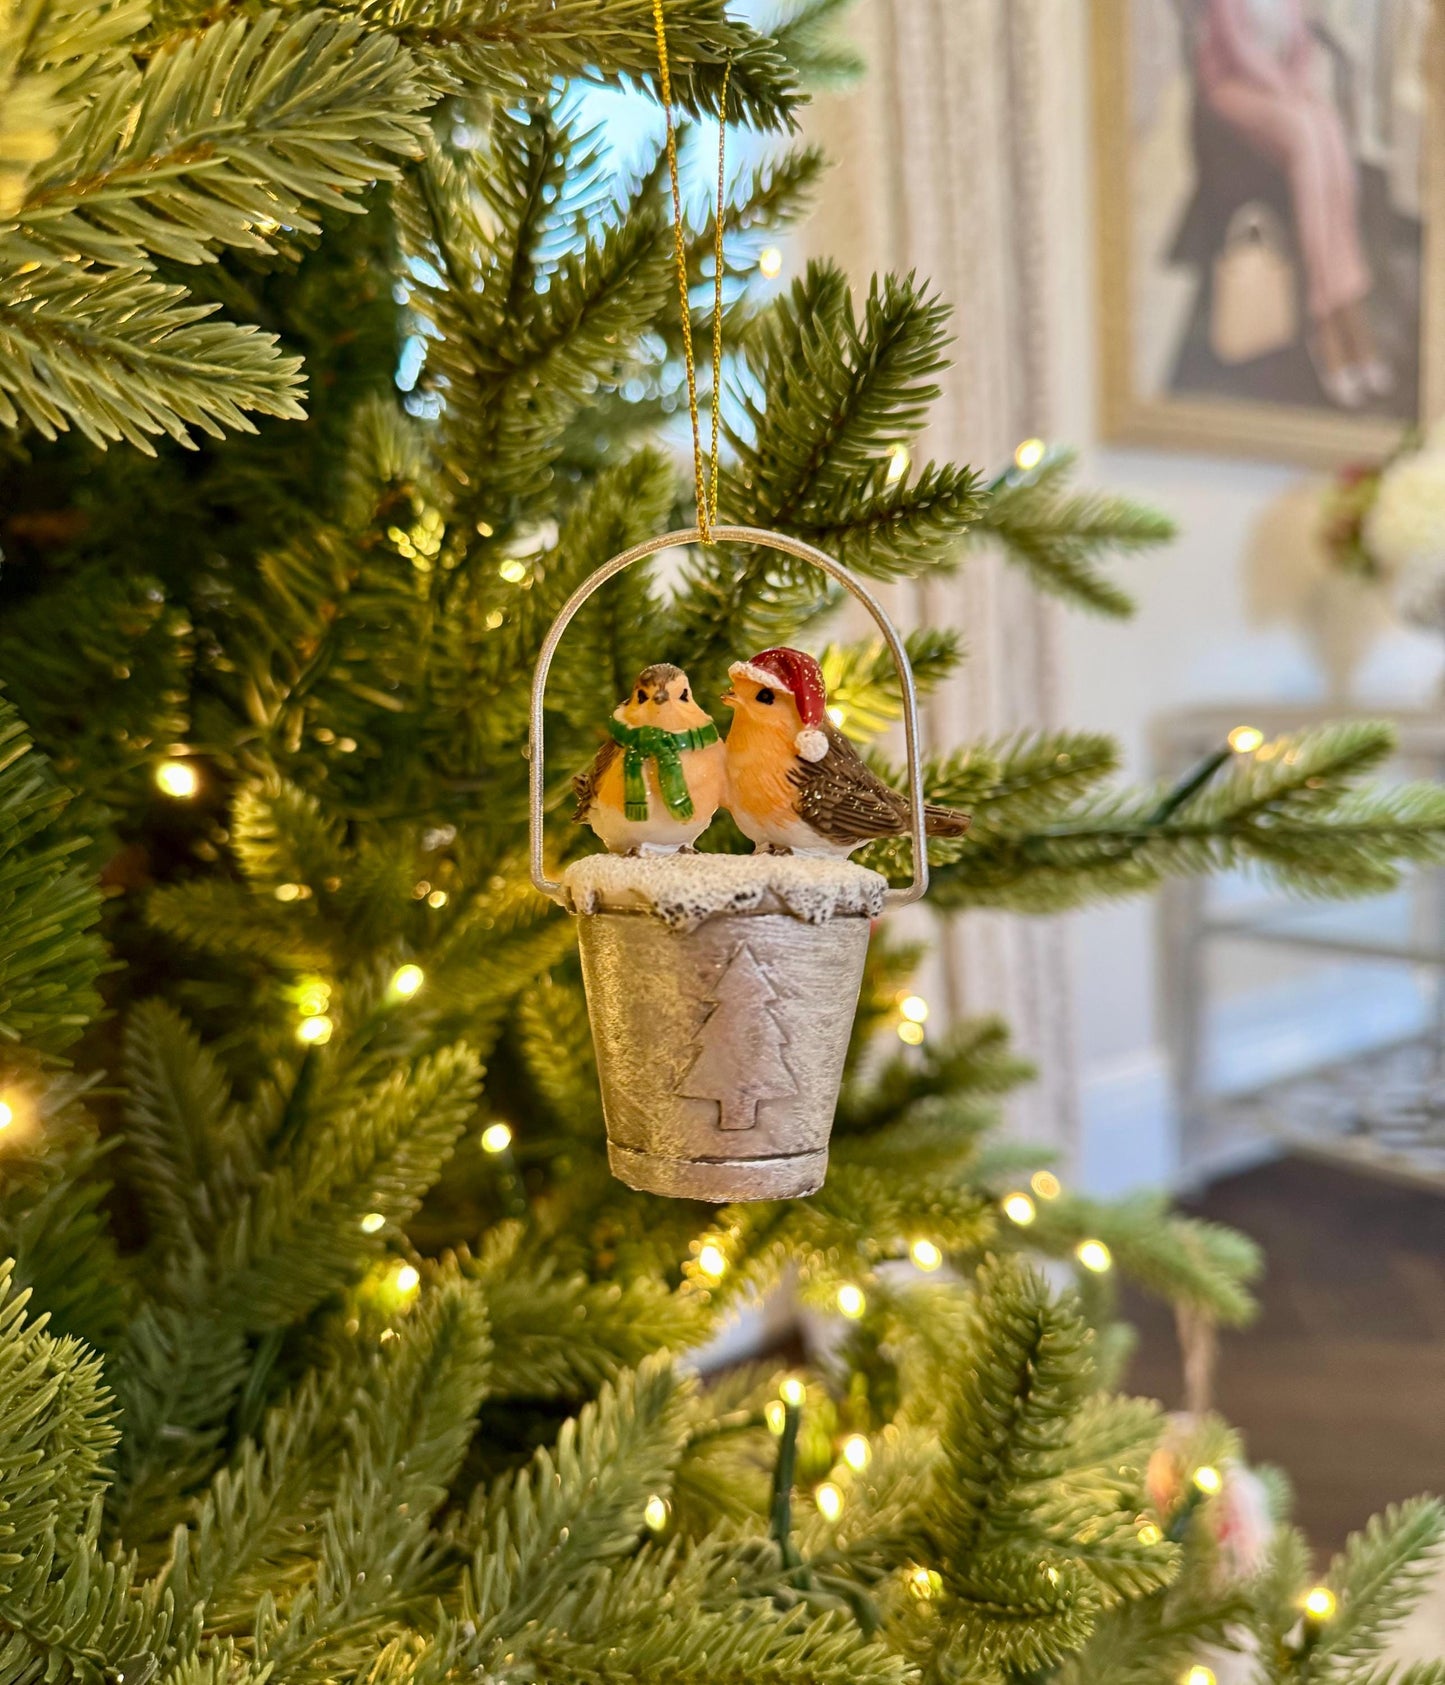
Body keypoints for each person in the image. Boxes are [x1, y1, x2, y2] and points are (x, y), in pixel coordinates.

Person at [1198, 0, 1389, 406]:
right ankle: (1327, 319)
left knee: (1328, 128)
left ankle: (1346, 300)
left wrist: (1299, 87)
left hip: (1282, 89)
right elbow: (1239, 55)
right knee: (1305, 132)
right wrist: (1286, 91)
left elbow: (1300, 48)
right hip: (1236, 89)